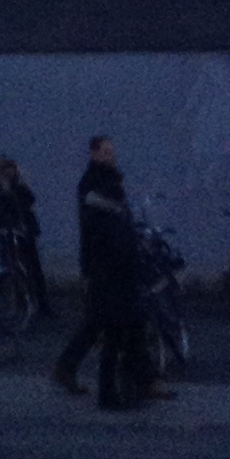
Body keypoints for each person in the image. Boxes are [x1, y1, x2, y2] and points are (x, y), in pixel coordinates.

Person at [51, 135, 145, 408]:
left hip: (109, 268)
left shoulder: (107, 182)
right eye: (105, 151)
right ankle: (113, 389)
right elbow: (104, 229)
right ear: (94, 154)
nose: (111, 156)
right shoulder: (95, 186)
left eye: (111, 151)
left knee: (98, 323)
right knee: (112, 326)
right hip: (107, 269)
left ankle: (69, 368)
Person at [0, 155, 52, 320]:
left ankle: (42, 305)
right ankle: (20, 304)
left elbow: (29, 201)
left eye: (11, 168)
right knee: (13, 269)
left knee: (34, 268)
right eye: (6, 169)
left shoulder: (20, 186)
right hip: (9, 233)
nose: (9, 172)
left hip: (26, 232)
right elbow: (2, 208)